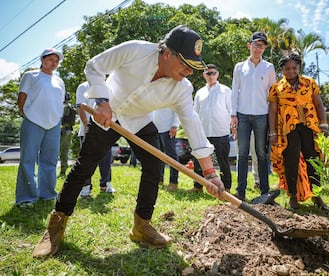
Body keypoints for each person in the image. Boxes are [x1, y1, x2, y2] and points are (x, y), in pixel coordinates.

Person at [32, 25, 224, 258]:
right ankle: (55, 226)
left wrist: (210, 173)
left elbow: (193, 124)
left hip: (140, 120)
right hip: (108, 114)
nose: (189, 71)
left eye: (193, 67)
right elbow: (94, 66)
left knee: (154, 168)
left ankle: (141, 225)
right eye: (185, 64)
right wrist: (102, 101)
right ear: (166, 53)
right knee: (84, 168)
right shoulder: (135, 50)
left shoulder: (182, 88)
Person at [268, 53, 329, 210]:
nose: (291, 71)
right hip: (289, 129)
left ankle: (317, 196)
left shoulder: (310, 83)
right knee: (291, 161)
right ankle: (293, 196)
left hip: (310, 127)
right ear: (281, 70)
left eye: (294, 68)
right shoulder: (276, 88)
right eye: (287, 68)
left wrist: (324, 125)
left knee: (313, 160)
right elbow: (273, 111)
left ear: (299, 68)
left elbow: (318, 104)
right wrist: (273, 133)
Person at [15, 48, 65, 207]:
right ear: (42, 60)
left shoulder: (60, 81)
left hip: (54, 123)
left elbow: (59, 102)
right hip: (33, 121)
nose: (54, 63)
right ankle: (26, 198)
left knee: (50, 160)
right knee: (28, 159)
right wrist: (26, 114)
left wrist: (58, 117)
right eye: (50, 59)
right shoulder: (31, 76)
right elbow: (22, 97)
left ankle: (48, 194)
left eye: (56, 61)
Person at [231, 31, 276, 201]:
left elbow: (273, 94)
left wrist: (272, 119)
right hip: (242, 115)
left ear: (264, 48)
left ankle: (264, 192)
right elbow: (235, 90)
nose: (258, 48)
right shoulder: (239, 67)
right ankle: (240, 191)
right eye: (256, 45)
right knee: (242, 153)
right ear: (249, 46)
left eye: (262, 46)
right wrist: (232, 114)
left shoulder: (269, 67)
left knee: (261, 153)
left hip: (261, 116)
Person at [191, 64, 232, 193]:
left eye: (213, 73)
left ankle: (226, 188)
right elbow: (194, 113)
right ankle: (198, 187)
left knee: (222, 161)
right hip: (203, 133)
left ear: (217, 74)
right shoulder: (200, 93)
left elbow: (231, 111)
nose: (211, 76)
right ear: (204, 75)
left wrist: (233, 127)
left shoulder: (226, 91)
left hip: (221, 132)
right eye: (208, 73)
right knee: (199, 160)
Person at [75, 81, 115, 196]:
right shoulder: (83, 87)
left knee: (106, 159)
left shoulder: (107, 86)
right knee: (86, 160)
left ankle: (106, 184)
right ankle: (86, 186)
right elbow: (81, 107)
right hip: (88, 130)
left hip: (104, 130)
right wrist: (87, 125)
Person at [153, 108, 180, 191]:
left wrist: (175, 125)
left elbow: (177, 110)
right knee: (158, 156)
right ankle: (159, 180)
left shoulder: (171, 95)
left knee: (171, 156)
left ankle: (173, 182)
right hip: (156, 129)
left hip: (168, 129)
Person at [58, 92, 77, 178]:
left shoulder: (63, 107)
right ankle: (63, 171)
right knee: (64, 152)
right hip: (69, 130)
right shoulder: (71, 106)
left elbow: (59, 118)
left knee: (58, 152)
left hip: (62, 130)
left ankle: (60, 172)